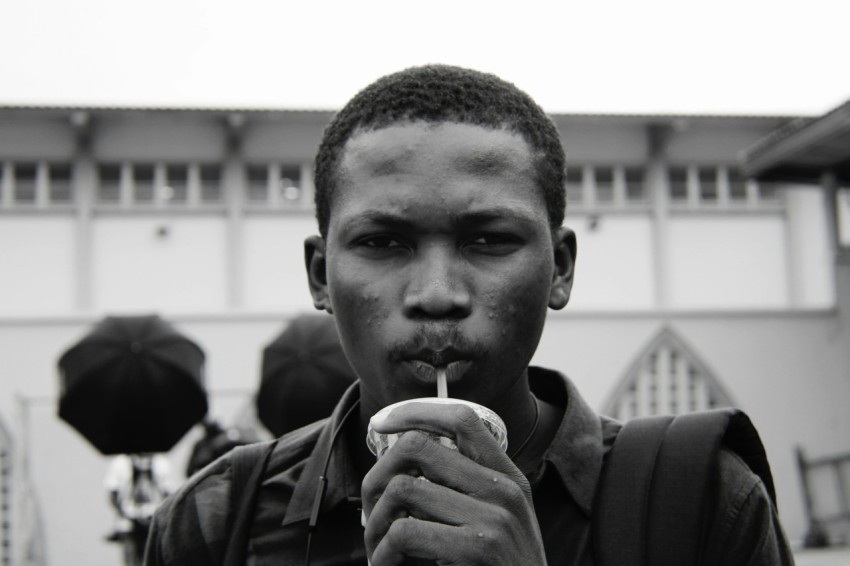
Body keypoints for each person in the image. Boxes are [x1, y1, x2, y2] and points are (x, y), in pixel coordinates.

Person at [145, 64, 793, 565]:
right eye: (383, 242)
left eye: (488, 240)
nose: (436, 293)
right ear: (321, 275)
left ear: (560, 268)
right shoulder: (217, 520)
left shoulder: (697, 500)